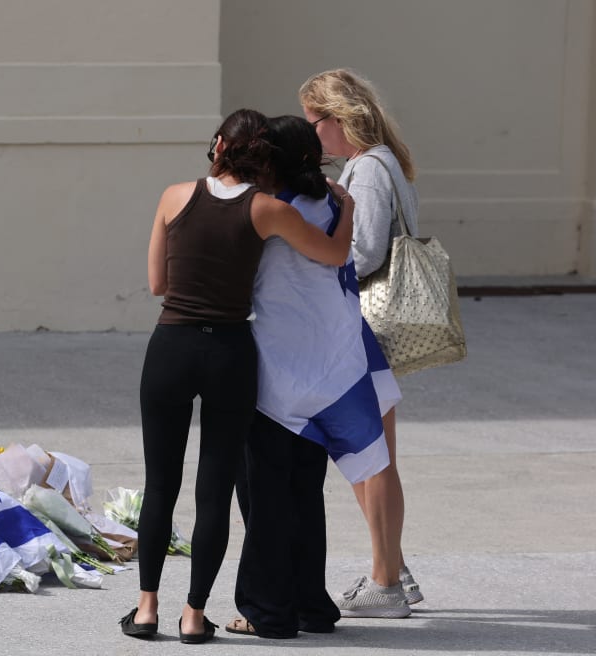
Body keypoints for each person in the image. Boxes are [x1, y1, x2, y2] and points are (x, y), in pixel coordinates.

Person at [119, 109, 355, 644]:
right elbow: (334, 253)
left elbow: (158, 283)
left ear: (219, 144)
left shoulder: (173, 195)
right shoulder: (268, 209)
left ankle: (147, 608)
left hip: (171, 346)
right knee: (215, 488)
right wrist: (347, 207)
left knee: (162, 483)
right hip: (229, 350)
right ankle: (194, 615)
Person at [227, 114, 401, 639]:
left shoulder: (271, 214)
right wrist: (346, 205)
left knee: (263, 498)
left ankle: (267, 611)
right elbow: (340, 250)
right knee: (304, 495)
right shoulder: (329, 203)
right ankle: (311, 607)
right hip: (336, 371)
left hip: (281, 377)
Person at [299, 68, 422, 617]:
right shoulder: (383, 161)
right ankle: (391, 567)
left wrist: (314, 256)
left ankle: (386, 581)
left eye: (313, 122)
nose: (311, 135)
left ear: (337, 117)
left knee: (370, 458)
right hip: (372, 326)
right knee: (372, 455)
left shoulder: (367, 169)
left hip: (364, 327)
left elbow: (366, 252)